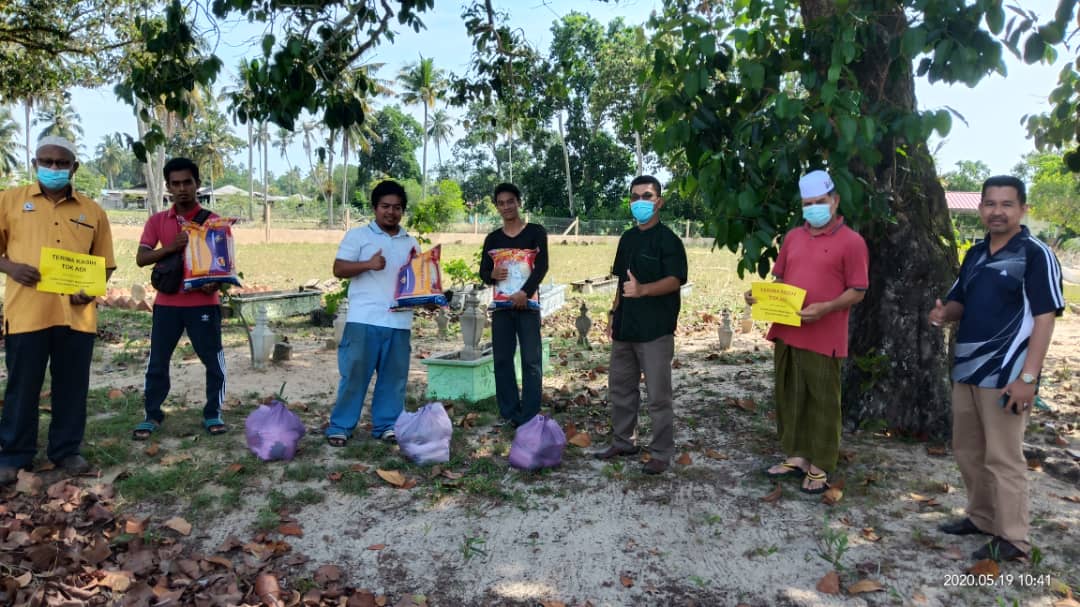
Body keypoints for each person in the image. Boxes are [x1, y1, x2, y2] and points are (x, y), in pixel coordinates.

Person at [930, 175, 1063, 562]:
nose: (997, 211)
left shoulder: (1035, 254)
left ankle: (1014, 538)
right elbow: (960, 301)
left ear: (1023, 209)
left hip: (1007, 373)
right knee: (968, 450)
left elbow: (1045, 318)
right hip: (967, 370)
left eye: (1007, 204)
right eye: (990, 204)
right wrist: (944, 313)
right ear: (980, 208)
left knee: (1003, 457)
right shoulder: (975, 254)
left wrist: (1028, 378)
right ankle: (982, 517)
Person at [0, 136, 116, 484]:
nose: (54, 168)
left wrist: (90, 289)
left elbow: (105, 263)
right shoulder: (9, 201)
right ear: (34, 164)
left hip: (76, 317)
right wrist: (11, 268)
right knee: (22, 387)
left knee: (72, 386)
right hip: (27, 313)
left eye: (61, 163)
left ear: (74, 167)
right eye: (46, 161)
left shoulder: (92, 211)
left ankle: (66, 450)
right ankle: (15, 454)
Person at [749, 169, 868, 494]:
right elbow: (780, 280)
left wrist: (826, 307)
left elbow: (858, 290)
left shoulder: (852, 242)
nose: (814, 208)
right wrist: (760, 297)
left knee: (823, 401)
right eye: (808, 203)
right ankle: (797, 456)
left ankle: (821, 464)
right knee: (790, 396)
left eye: (820, 201)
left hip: (824, 336)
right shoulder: (793, 238)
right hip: (788, 330)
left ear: (835, 200)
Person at [594, 175, 687, 475]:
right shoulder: (627, 239)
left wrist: (644, 289)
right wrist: (613, 313)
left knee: (658, 396)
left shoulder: (669, 240)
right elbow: (622, 281)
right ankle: (624, 441)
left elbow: (675, 280)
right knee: (621, 389)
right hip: (626, 327)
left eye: (647, 196)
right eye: (635, 197)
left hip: (655, 330)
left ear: (659, 201)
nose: (640, 202)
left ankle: (661, 452)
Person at [133, 157, 228, 439]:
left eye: (187, 182)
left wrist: (215, 283)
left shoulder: (214, 222)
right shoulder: (157, 221)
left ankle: (213, 413)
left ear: (198, 184)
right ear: (168, 187)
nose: (182, 188)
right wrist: (170, 248)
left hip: (203, 304)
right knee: (157, 361)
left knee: (213, 361)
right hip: (167, 304)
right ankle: (152, 415)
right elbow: (141, 258)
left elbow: (224, 264)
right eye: (176, 183)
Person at [325, 180, 420, 446]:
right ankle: (340, 426)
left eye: (397, 207)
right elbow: (338, 269)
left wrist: (429, 297)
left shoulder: (410, 242)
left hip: (399, 321)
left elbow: (417, 280)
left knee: (394, 379)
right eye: (385, 206)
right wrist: (368, 264)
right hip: (364, 319)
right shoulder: (357, 236)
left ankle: (387, 425)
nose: (391, 212)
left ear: (403, 210)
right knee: (354, 376)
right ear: (375, 208)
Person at [478, 183, 549, 428]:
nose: (506, 206)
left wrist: (524, 293)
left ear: (519, 202)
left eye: (510, 201)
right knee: (502, 360)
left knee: (531, 360)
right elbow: (484, 272)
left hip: (527, 306)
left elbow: (542, 266)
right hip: (502, 309)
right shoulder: (493, 239)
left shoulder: (535, 232)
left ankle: (529, 414)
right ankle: (509, 412)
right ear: (497, 207)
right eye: (501, 203)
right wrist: (491, 274)